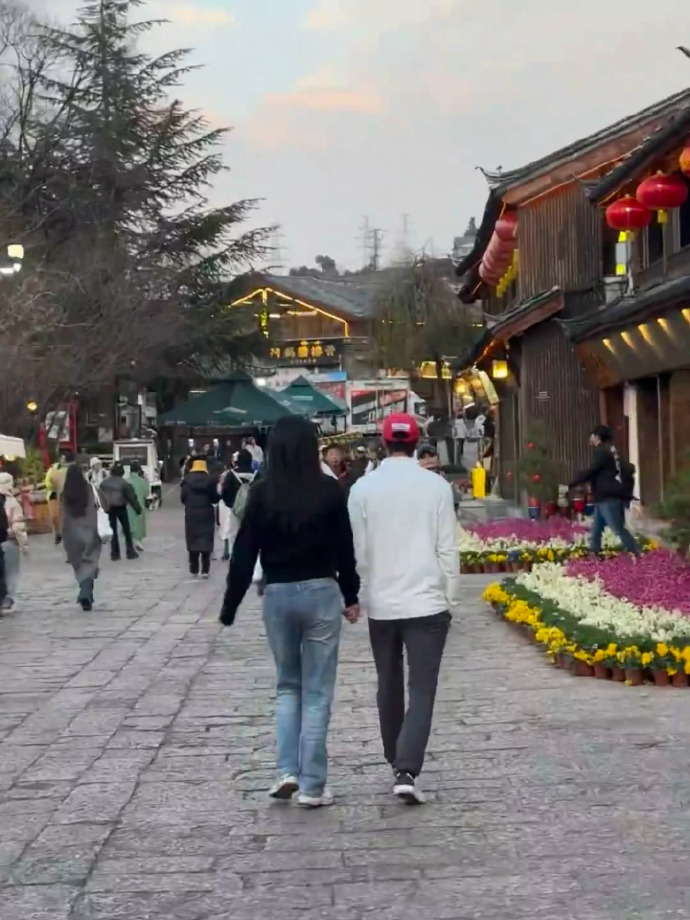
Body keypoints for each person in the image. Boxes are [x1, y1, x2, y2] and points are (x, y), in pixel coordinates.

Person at [220, 415, 360, 808]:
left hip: (278, 595)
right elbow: (345, 550)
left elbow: (244, 554)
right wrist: (351, 595)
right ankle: (313, 786)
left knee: (287, 687)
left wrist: (230, 606)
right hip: (321, 591)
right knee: (317, 692)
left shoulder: (262, 493)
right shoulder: (331, 492)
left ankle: (286, 771)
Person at [348, 412, 461, 805]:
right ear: (417, 444)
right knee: (422, 687)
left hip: (382, 601)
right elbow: (447, 547)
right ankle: (407, 767)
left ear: (383, 443)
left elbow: (357, 550)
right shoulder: (436, 487)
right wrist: (450, 595)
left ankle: (394, 756)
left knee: (388, 682)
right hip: (427, 600)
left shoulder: (362, 488)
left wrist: (358, 594)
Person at [570, 424, 640, 556]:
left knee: (617, 528)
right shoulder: (612, 450)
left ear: (597, 437)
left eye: (592, 435)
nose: (590, 438)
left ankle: (637, 553)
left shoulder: (601, 451)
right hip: (604, 496)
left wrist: (572, 483)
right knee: (596, 529)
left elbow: (592, 470)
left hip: (607, 496)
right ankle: (594, 555)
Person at [61, 465, 102, 611]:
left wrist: (60, 534)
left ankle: (85, 591)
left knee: (79, 565)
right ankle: (86, 592)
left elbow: (62, 516)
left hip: (71, 534)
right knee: (90, 563)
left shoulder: (65, 494)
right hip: (89, 530)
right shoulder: (90, 489)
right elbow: (102, 504)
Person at [181, 456, 220, 577]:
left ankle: (194, 568)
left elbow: (183, 498)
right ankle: (205, 570)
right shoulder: (210, 480)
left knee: (192, 538)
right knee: (206, 539)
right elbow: (214, 498)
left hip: (191, 513)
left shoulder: (186, 480)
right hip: (206, 513)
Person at [100, 463, 142, 561]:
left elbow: (100, 496)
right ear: (122, 473)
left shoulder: (104, 483)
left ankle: (115, 553)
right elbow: (132, 498)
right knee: (126, 530)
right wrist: (138, 509)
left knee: (113, 530)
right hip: (121, 507)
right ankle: (130, 551)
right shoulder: (125, 484)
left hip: (109, 508)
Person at [219, 449, 256, 561]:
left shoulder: (231, 475)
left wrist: (231, 505)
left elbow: (225, 493)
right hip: (253, 511)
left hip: (234, 510)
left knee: (234, 535)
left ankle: (235, 557)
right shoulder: (257, 474)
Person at [0, 473, 27, 611]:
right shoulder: (12, 502)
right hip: (10, 541)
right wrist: (24, 544)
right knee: (12, 572)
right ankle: (8, 598)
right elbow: (18, 526)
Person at [45, 451, 73, 545]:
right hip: (53, 494)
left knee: (65, 515)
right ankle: (57, 533)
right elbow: (48, 480)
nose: (62, 460)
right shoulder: (54, 468)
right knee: (54, 516)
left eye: (64, 458)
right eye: (62, 458)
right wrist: (51, 486)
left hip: (66, 494)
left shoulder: (71, 469)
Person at [127, 461, 149, 552]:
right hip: (140, 505)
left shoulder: (127, 481)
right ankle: (139, 541)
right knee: (139, 524)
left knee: (130, 524)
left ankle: (131, 541)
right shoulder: (142, 481)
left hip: (128, 506)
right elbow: (147, 493)